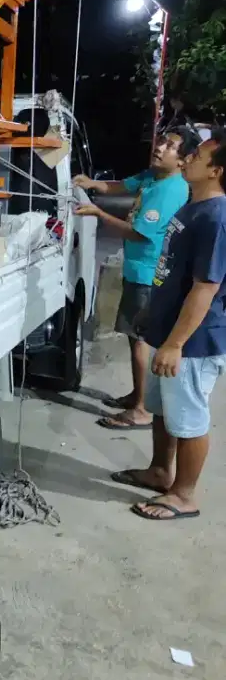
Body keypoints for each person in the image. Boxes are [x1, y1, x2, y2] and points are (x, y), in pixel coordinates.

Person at [111, 133, 226, 520]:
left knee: (189, 418)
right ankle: (161, 472)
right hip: (167, 329)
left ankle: (184, 495)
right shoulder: (193, 205)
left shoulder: (215, 218)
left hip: (194, 342)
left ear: (216, 171)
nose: (188, 158)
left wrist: (176, 344)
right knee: (163, 409)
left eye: (198, 155)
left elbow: (205, 288)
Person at [73, 130, 199, 428]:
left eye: (171, 147)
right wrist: (93, 184)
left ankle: (141, 409)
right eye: (162, 141)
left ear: (182, 161)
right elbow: (122, 186)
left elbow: (139, 232)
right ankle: (137, 395)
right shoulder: (152, 177)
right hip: (137, 269)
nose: (161, 147)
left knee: (140, 340)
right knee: (133, 338)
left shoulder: (170, 190)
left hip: (148, 275)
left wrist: (98, 214)